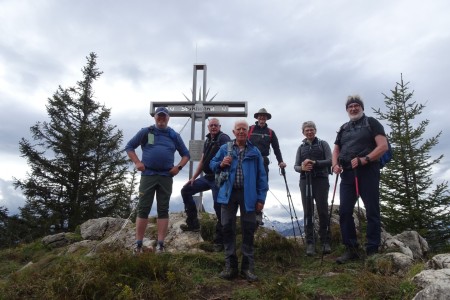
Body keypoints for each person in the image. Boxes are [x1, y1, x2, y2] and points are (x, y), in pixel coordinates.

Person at [125, 107, 190, 254]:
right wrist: (137, 162)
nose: (161, 119)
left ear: (168, 118)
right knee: (143, 208)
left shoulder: (174, 135)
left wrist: (178, 167)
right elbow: (129, 147)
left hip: (166, 177)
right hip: (148, 175)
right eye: (159, 117)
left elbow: (186, 154)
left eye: (164, 117)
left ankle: (161, 245)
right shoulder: (146, 132)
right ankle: (138, 244)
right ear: (154, 117)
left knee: (163, 209)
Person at [332, 95, 388, 264]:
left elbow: (383, 146)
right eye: (350, 106)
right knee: (345, 212)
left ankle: (372, 249)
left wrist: (366, 159)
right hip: (348, 173)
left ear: (362, 107)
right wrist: (335, 165)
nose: (353, 108)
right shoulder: (343, 128)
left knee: (372, 210)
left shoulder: (371, 122)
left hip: (368, 171)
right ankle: (352, 249)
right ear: (347, 109)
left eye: (356, 105)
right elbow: (336, 149)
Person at [210, 119, 268, 282]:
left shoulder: (255, 152)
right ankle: (231, 266)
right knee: (227, 227)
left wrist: (261, 198)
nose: (241, 131)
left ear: (248, 132)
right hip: (228, 194)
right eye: (238, 129)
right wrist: (221, 163)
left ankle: (247, 267)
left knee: (248, 229)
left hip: (249, 196)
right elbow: (211, 164)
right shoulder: (224, 148)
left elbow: (262, 177)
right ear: (234, 132)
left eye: (244, 129)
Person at [180, 118, 231, 252]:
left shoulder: (224, 138)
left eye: (215, 125)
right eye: (211, 125)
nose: (213, 127)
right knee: (186, 190)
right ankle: (193, 223)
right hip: (207, 177)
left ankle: (220, 241)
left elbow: (230, 154)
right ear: (208, 127)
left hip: (219, 177)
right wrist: (193, 177)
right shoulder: (208, 140)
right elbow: (202, 161)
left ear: (219, 126)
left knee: (218, 206)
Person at [294, 121, 332, 256]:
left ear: (315, 130)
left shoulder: (323, 144)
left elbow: (330, 160)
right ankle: (310, 243)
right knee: (308, 212)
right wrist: (302, 168)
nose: (309, 132)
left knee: (322, 210)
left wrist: (315, 163)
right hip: (305, 181)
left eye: (311, 129)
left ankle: (325, 241)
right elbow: (296, 166)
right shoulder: (301, 147)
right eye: (306, 130)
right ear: (303, 132)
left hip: (321, 180)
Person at [248, 108, 286, 225]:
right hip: (249, 161)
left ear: (267, 118)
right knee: (249, 185)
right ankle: (248, 212)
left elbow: (276, 148)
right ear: (257, 117)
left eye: (264, 116)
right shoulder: (250, 129)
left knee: (262, 186)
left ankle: (258, 213)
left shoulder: (270, 132)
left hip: (263, 161)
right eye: (260, 116)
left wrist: (280, 161)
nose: (262, 118)